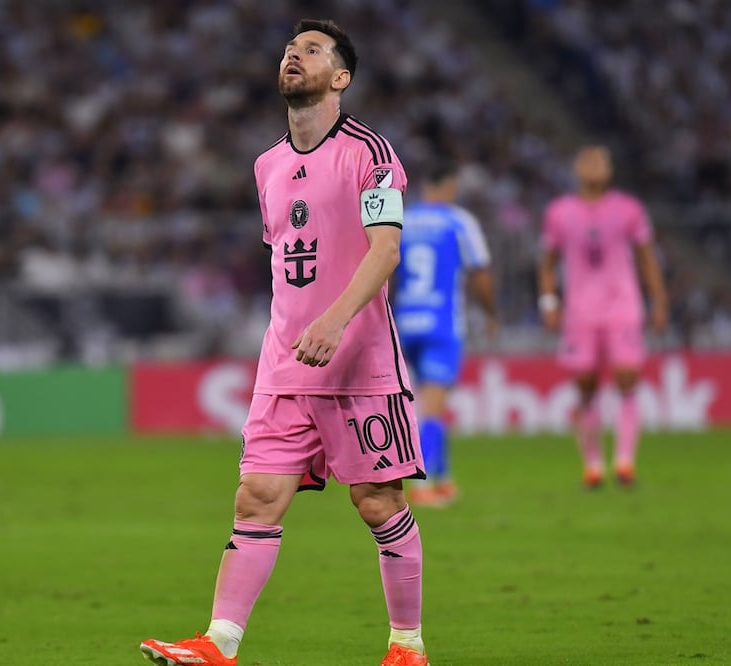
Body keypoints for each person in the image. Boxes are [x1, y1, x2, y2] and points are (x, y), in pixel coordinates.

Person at [140, 19, 430, 666]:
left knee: (376, 500)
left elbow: (385, 251)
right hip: (283, 365)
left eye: (312, 50)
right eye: (289, 48)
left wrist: (333, 322)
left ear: (340, 78)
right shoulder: (266, 164)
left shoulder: (371, 154)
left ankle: (406, 646)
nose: (293, 56)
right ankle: (219, 643)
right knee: (256, 496)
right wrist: (298, 330)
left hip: (358, 363)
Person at [538, 145, 668, 488]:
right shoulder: (560, 212)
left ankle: (625, 461)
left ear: (610, 170)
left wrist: (659, 300)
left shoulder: (628, 209)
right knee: (586, 385)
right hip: (580, 311)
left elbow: (647, 257)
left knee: (627, 377)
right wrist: (549, 302)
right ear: (577, 169)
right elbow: (548, 264)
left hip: (622, 306)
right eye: (588, 161)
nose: (594, 167)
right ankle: (593, 465)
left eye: (601, 161)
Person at [393, 163, 497, 507]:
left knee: (427, 404)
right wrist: (491, 312)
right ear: (450, 186)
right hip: (441, 323)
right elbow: (479, 271)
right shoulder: (459, 221)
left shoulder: (403, 221)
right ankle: (422, 487)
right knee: (434, 408)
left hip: (405, 322)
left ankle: (444, 479)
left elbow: (385, 267)